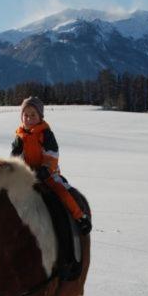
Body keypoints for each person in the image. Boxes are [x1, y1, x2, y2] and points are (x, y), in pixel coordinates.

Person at [11, 96, 92, 235]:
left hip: (48, 174)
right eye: (26, 115)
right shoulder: (20, 137)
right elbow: (15, 157)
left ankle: (79, 217)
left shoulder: (46, 134)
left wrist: (45, 170)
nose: (29, 118)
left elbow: (52, 156)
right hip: (27, 176)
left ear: (40, 116)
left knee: (62, 191)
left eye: (33, 115)